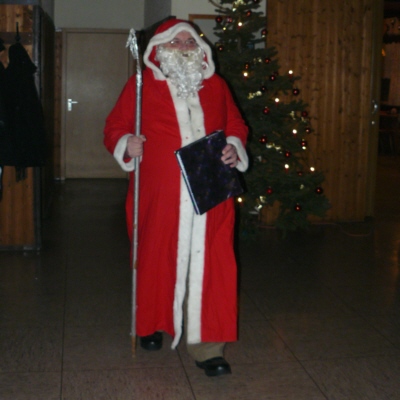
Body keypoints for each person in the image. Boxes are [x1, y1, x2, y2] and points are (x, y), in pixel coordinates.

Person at [103, 18, 248, 377]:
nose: (184, 47)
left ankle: (208, 346)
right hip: (159, 194)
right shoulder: (141, 86)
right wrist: (126, 143)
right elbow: (115, 127)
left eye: (190, 42)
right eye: (175, 41)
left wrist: (234, 145)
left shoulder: (216, 85)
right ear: (159, 49)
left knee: (214, 264)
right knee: (156, 257)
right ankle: (151, 323)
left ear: (201, 49)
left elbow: (235, 124)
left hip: (211, 192)